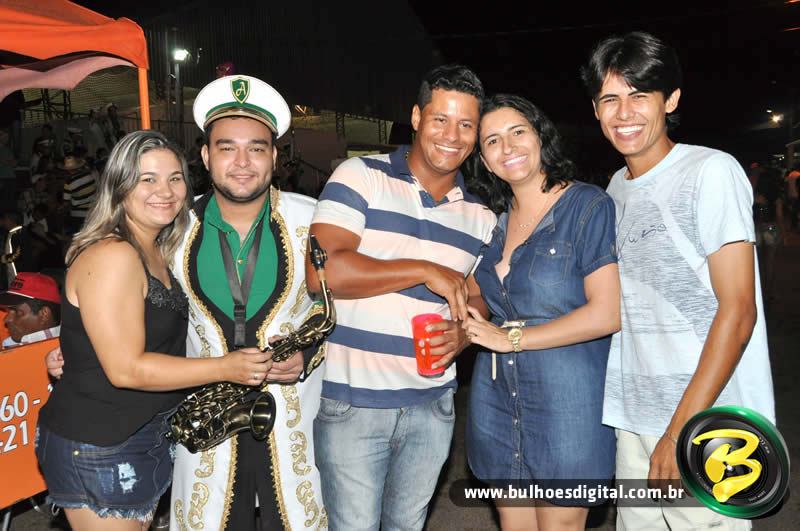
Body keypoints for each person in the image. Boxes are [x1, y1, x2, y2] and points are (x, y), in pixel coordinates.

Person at [47, 77, 328, 530]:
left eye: (256, 149)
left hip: (290, 419)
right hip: (200, 432)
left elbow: (340, 307)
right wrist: (78, 352)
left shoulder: (316, 221)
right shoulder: (173, 231)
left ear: (275, 157)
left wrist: (308, 353)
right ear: (206, 156)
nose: (242, 162)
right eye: (226, 148)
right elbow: (119, 313)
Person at [581, 31, 775, 530]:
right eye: (610, 99)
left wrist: (679, 430)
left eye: (639, 95)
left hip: (703, 420)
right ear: (596, 110)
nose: (624, 113)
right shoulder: (615, 189)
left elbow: (739, 311)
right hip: (633, 417)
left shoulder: (710, 171)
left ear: (670, 100)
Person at [36, 130, 273, 531]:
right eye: (148, 179)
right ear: (120, 186)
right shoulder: (113, 254)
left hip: (139, 434)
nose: (165, 191)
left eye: (174, 178)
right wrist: (227, 367)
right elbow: (126, 369)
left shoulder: (156, 247)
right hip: (101, 441)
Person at [307, 64, 496, 530]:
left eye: (466, 125)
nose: (452, 135)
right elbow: (322, 272)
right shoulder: (360, 175)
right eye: (440, 119)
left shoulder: (481, 216)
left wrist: (464, 334)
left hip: (432, 406)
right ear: (416, 117)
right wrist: (424, 270)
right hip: (354, 404)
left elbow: (478, 298)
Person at [462, 94, 620, 530]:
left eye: (518, 132)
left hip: (567, 398)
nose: (508, 147)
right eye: (492, 141)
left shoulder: (587, 206)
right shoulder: (494, 222)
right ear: (485, 161)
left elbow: (607, 312)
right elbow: (473, 292)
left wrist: (510, 337)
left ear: (540, 136)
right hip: (497, 397)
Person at [0, 272, 60, 348]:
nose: (6, 319)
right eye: (8, 311)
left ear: (44, 315)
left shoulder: (60, 351)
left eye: (18, 312)